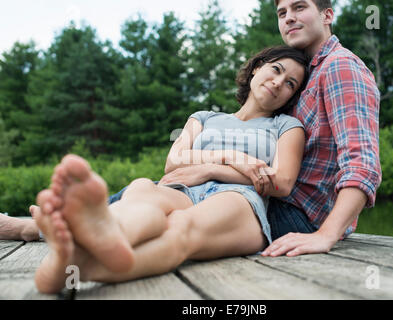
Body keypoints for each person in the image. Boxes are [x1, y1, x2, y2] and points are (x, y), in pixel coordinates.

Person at [33, 45, 310, 293]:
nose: (278, 82)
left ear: (290, 96)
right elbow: (174, 161)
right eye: (276, 69)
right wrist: (230, 157)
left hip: (239, 199)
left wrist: (209, 170)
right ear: (257, 68)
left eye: (290, 83)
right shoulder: (204, 117)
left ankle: (78, 268)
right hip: (183, 188)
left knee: (180, 227)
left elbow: (282, 182)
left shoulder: (286, 126)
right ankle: (106, 233)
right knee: (142, 189)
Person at [259, 0, 381, 257]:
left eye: (299, 7)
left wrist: (326, 235)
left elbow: (362, 164)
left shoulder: (339, 66)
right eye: (282, 13)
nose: (289, 18)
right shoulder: (301, 79)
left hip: (297, 218)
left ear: (327, 15)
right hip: (275, 203)